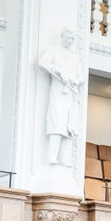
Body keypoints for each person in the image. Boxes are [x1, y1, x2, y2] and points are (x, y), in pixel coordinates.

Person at [38, 29, 85, 166]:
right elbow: (43, 63)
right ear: (62, 37)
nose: (70, 41)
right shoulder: (54, 50)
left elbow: (81, 75)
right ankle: (52, 156)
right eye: (68, 38)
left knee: (70, 126)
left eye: (72, 39)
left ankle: (64, 157)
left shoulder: (74, 56)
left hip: (71, 92)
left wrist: (76, 81)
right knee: (57, 123)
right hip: (58, 91)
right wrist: (59, 71)